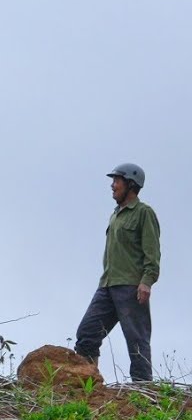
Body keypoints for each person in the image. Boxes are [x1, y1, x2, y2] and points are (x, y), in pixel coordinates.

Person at [73, 163, 160, 382]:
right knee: (87, 334)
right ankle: (87, 383)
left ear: (131, 184)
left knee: (137, 341)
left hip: (131, 286)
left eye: (116, 181)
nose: (112, 186)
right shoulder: (115, 215)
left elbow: (152, 252)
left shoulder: (143, 213)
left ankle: (142, 389)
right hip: (107, 285)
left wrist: (147, 281)